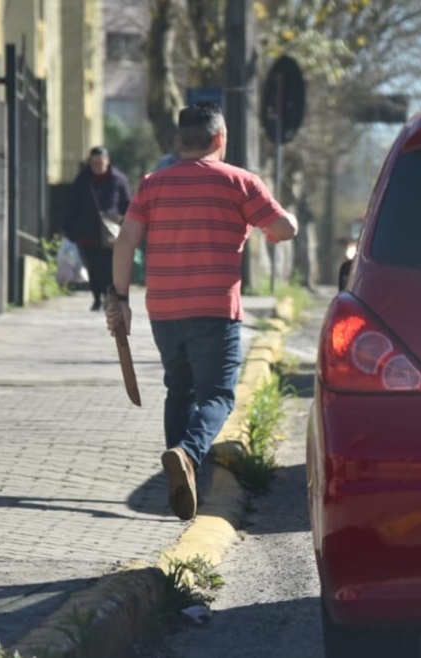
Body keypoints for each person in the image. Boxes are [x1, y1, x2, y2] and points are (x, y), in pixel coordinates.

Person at [105, 103, 298, 520]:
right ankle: (188, 455)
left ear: (179, 141)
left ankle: (181, 482)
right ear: (220, 139)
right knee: (218, 395)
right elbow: (282, 229)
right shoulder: (240, 182)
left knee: (180, 389)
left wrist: (120, 299)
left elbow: (125, 242)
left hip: (164, 308)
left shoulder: (153, 183)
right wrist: (286, 221)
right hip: (215, 308)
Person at [63, 146, 133, 311]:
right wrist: (69, 229)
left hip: (112, 232)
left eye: (101, 163)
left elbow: (127, 205)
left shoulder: (118, 179)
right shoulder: (83, 180)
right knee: (94, 268)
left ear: (107, 161)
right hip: (89, 231)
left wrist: (128, 227)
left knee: (110, 268)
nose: (98, 167)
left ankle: (110, 298)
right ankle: (97, 297)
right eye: (94, 164)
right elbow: (72, 205)